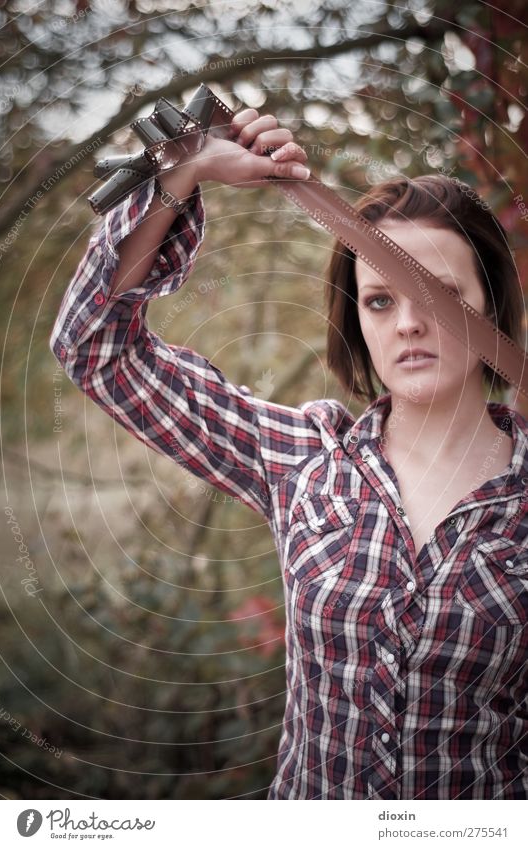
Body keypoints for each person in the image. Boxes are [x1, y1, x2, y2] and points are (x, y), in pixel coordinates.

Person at [50, 107, 528, 800]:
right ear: (354, 318)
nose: (410, 323)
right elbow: (93, 346)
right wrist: (183, 172)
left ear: (490, 304)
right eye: (379, 300)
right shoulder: (304, 458)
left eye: (442, 293)